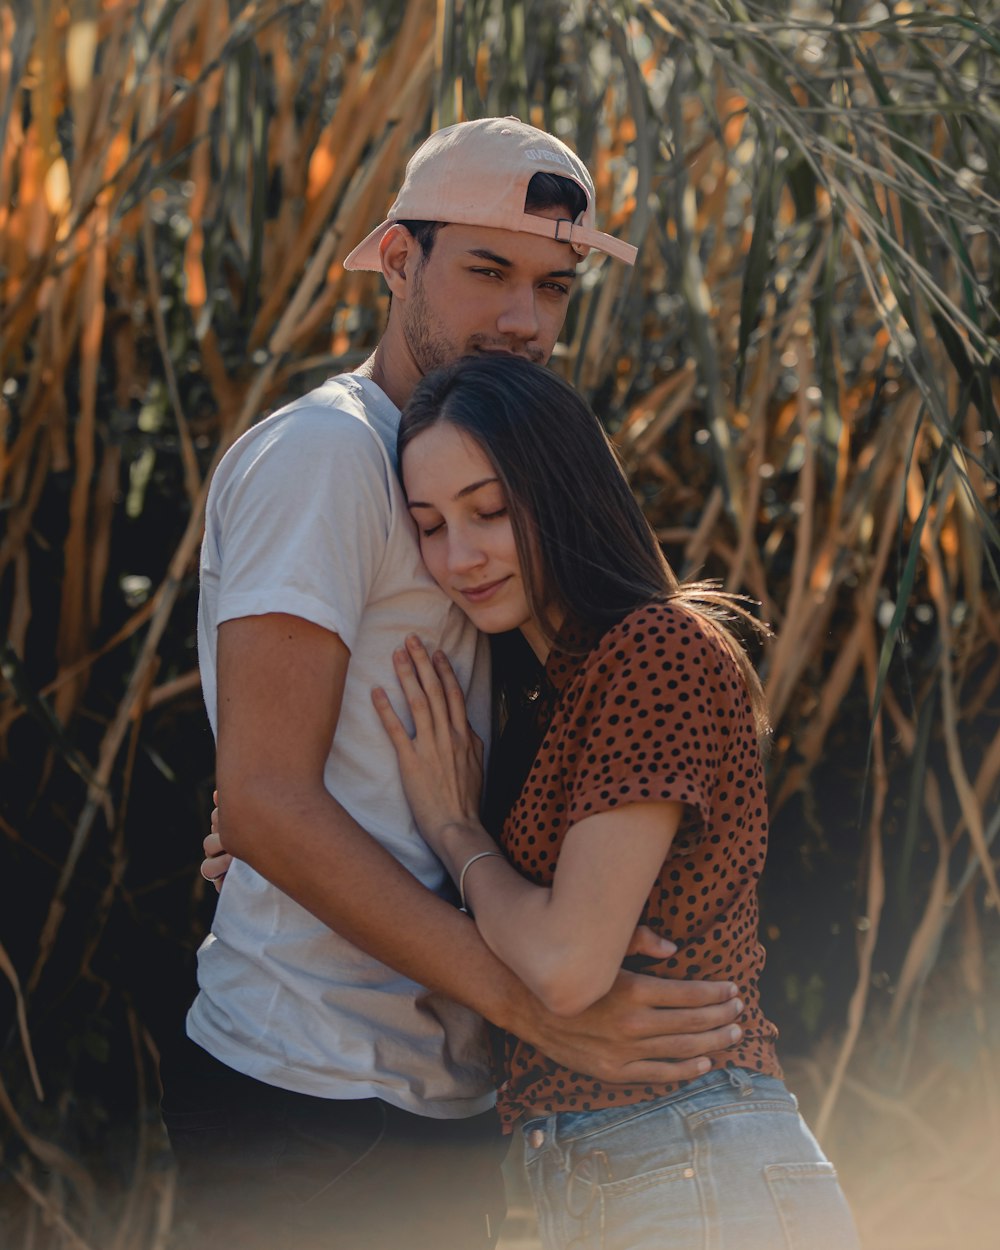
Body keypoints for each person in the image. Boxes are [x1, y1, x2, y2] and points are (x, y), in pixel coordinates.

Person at [163, 117, 745, 1250]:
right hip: (314, 1084)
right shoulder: (327, 454)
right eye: (487, 271)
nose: (524, 319)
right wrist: (543, 1008)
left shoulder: (484, 462)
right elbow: (269, 799)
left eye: (553, 286)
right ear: (396, 261)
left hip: (442, 1089)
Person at [371, 354, 862, 1250]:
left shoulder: (657, 650)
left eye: (489, 511)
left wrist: (455, 831)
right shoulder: (555, 692)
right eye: (430, 526)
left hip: (692, 1156)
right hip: (636, 1171)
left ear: (559, 490)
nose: (459, 556)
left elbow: (564, 966)